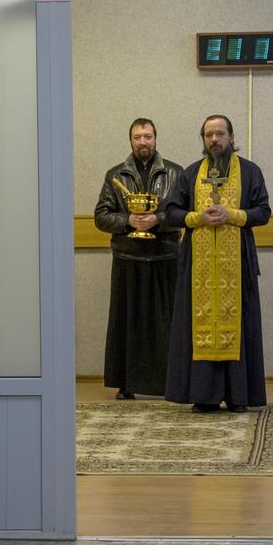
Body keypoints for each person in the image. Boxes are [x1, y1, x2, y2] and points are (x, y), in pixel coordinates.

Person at [163, 115, 272, 413]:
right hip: (197, 269)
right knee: (197, 325)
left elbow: (263, 212)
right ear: (203, 139)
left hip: (238, 267)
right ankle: (205, 396)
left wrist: (231, 215)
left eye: (220, 134)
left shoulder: (250, 172)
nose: (214, 140)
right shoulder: (189, 174)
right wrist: (197, 218)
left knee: (239, 325)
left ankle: (239, 396)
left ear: (232, 137)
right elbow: (170, 212)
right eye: (209, 134)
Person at [94, 118, 185, 399]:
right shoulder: (115, 175)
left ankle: (171, 382)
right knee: (126, 323)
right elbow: (101, 216)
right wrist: (128, 220)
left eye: (147, 136)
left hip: (165, 257)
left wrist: (157, 220)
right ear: (130, 140)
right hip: (127, 256)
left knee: (168, 323)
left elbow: (183, 214)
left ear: (156, 138)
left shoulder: (175, 173)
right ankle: (126, 384)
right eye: (137, 137)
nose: (142, 142)